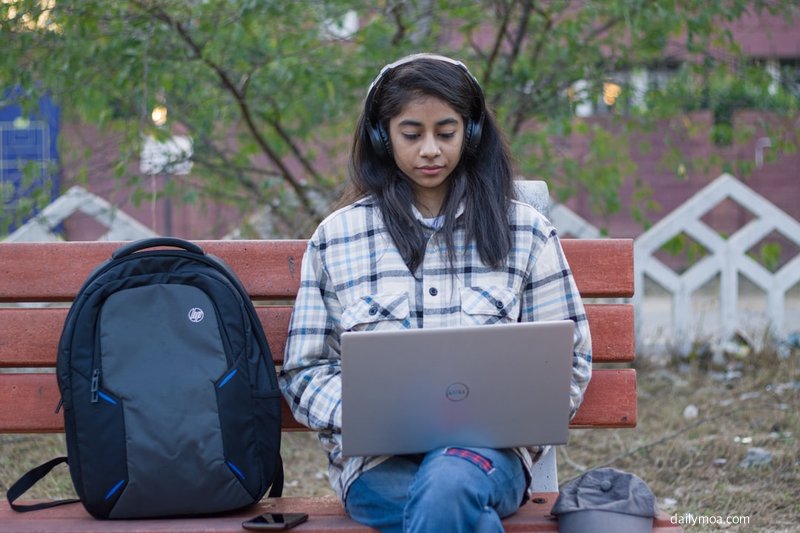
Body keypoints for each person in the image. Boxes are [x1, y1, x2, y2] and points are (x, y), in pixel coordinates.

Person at [279, 53, 592, 533]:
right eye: (411, 134)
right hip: (377, 468)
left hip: (489, 459)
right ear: (383, 137)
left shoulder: (526, 232)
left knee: (449, 482)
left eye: (445, 133)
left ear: (470, 134)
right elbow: (305, 370)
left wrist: (517, 419)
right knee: (449, 502)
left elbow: (569, 359)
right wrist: (366, 415)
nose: (430, 149)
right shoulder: (337, 238)